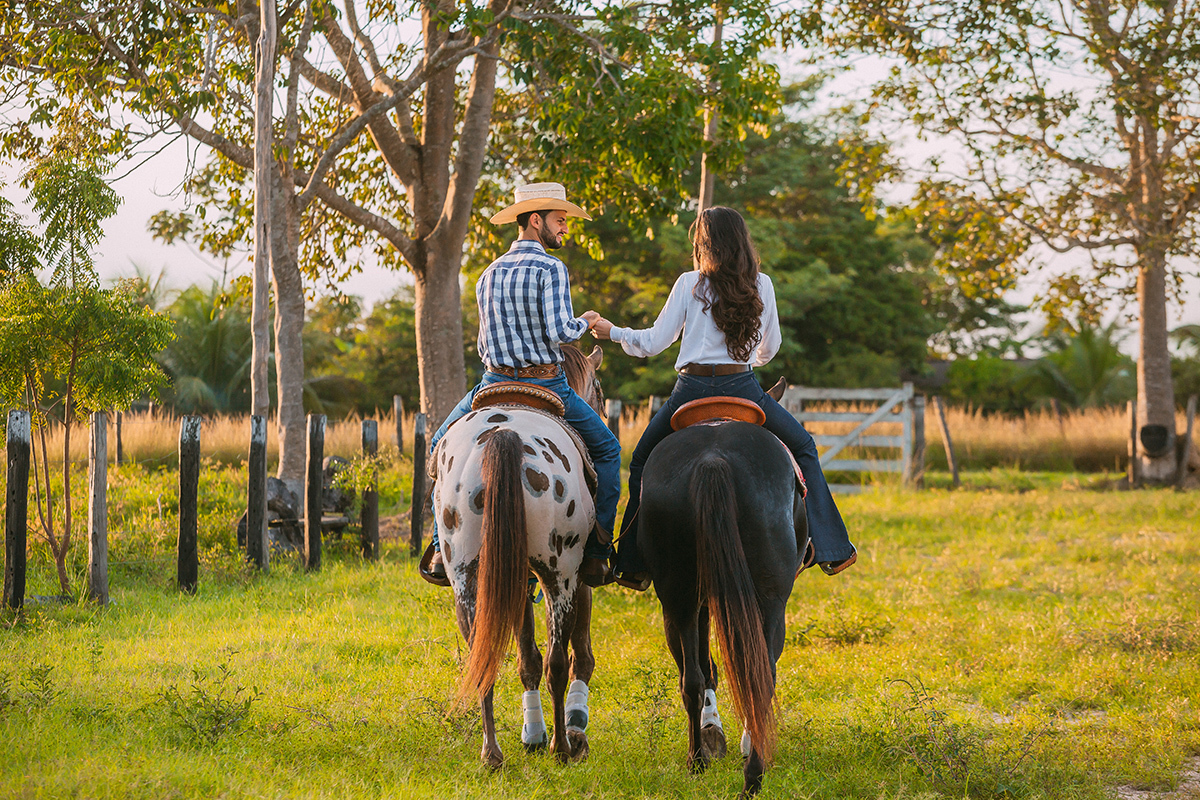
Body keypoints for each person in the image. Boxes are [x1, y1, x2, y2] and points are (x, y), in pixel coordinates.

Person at [590, 206, 856, 590]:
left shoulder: (689, 283)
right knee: (804, 447)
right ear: (742, 241)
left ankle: (631, 560)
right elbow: (770, 349)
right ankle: (831, 547)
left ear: (704, 243)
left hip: (690, 391)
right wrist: (749, 356)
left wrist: (613, 331)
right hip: (743, 388)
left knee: (643, 462)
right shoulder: (761, 284)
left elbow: (652, 343)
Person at [426, 182, 621, 587]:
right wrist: (586, 320)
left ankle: (437, 545)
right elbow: (560, 331)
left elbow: (483, 342)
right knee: (607, 449)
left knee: (437, 448)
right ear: (536, 221)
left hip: (492, 383)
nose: (565, 229)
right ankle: (600, 548)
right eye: (560, 221)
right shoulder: (551, 269)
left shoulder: (487, 274)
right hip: (549, 386)